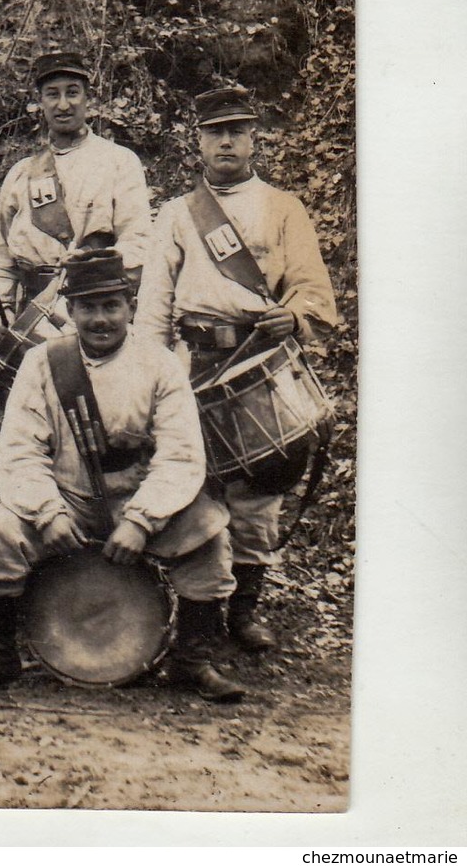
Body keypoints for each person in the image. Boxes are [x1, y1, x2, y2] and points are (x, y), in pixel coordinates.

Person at [0, 248, 249, 702]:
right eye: (88, 307)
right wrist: (47, 512)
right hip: (66, 498)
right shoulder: (42, 363)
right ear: (71, 311)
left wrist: (143, 519)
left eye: (111, 306)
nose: (101, 319)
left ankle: (192, 659)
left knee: (209, 532)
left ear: (130, 307)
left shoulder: (160, 363)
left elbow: (181, 455)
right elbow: (19, 451)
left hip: (137, 496)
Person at [135, 86, 338, 652]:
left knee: (258, 496)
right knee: (193, 485)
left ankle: (244, 612)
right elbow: (154, 302)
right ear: (198, 142)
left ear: (253, 139)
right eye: (214, 132)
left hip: (259, 360)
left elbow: (311, 289)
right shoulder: (177, 214)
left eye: (236, 131)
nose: (225, 141)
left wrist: (293, 317)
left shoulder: (283, 207)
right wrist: (153, 374)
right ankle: (198, 607)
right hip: (191, 361)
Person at [0, 51, 153, 316]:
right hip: (30, 313)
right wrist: (1, 309)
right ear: (40, 101)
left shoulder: (118, 162)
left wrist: (91, 267)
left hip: (93, 308)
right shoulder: (22, 174)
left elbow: (138, 244)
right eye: (53, 94)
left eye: (72, 92)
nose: (63, 105)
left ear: (88, 98)